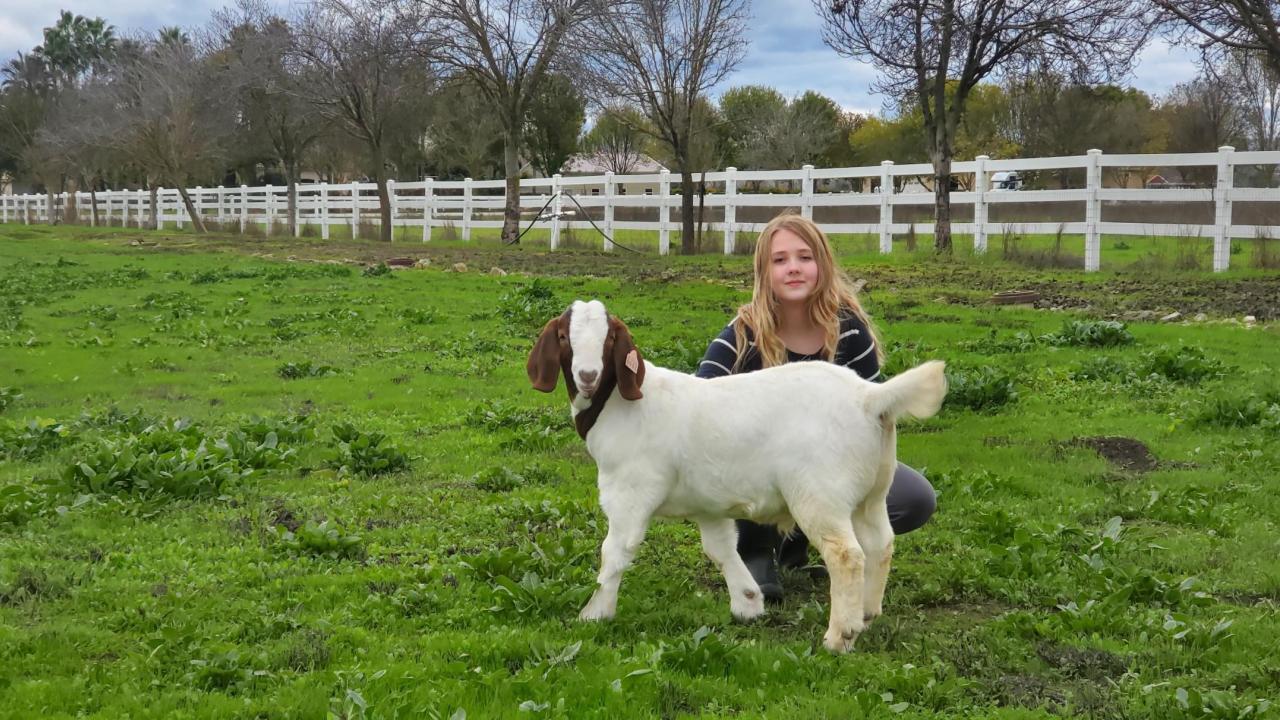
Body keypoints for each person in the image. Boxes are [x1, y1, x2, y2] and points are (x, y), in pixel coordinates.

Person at [695, 213, 937, 602]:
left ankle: (816, 542)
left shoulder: (850, 329)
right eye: (780, 260)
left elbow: (875, 421)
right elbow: (698, 403)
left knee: (914, 499)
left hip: (831, 471)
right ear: (764, 271)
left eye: (805, 257)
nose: (793, 268)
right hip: (759, 480)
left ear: (822, 265)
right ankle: (757, 551)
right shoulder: (742, 334)